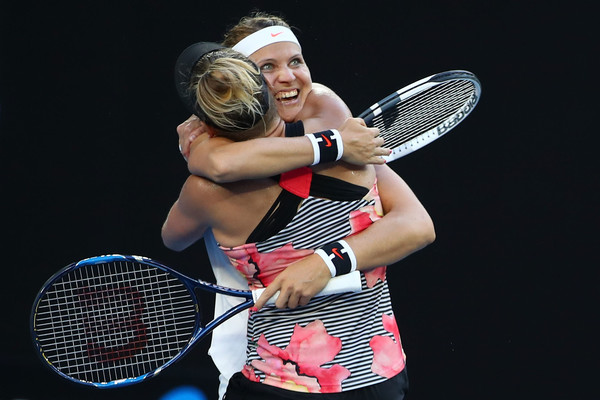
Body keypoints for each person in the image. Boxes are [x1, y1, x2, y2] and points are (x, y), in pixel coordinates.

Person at [163, 45, 435, 399]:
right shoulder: (347, 139)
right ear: (266, 95)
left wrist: (324, 262)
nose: (287, 77)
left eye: (295, 61)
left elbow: (173, 237)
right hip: (378, 382)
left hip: (275, 386)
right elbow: (419, 226)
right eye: (269, 68)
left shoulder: (205, 189)